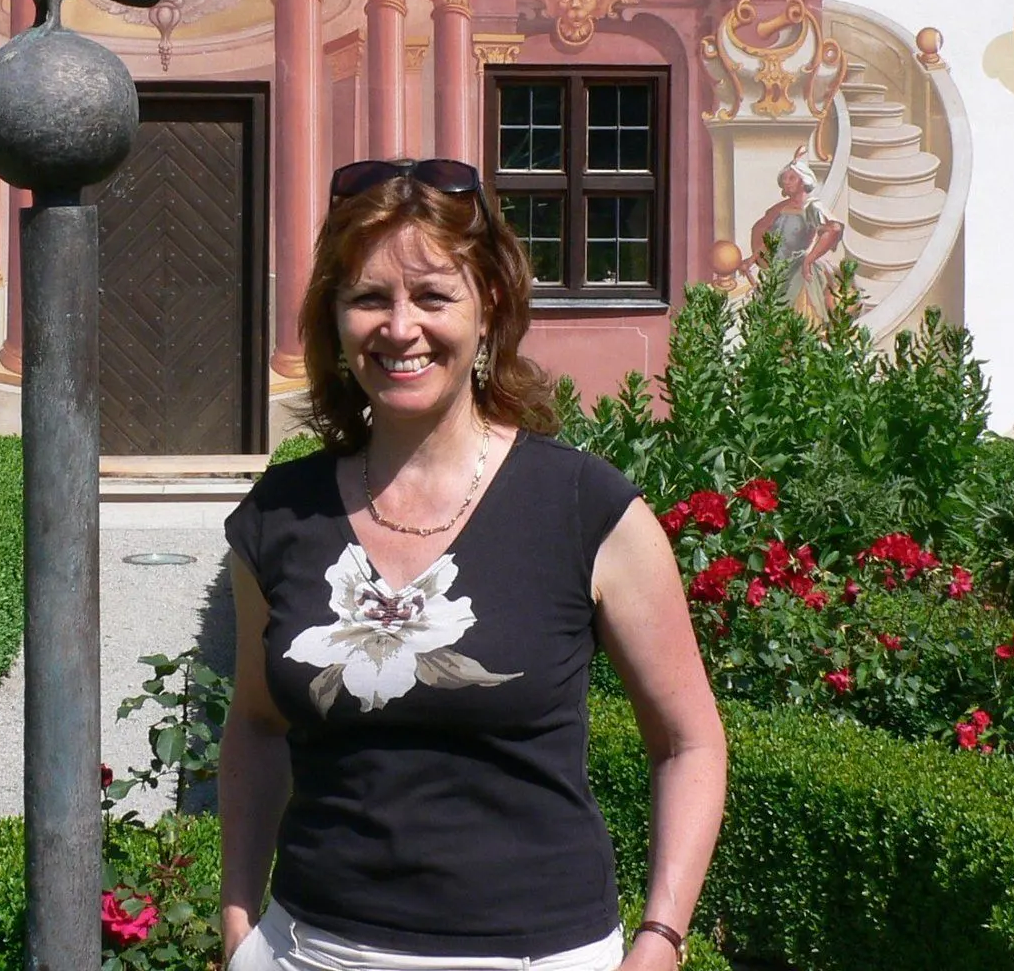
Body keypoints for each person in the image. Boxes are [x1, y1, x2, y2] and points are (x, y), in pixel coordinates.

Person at [220, 158, 726, 971]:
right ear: (335, 318)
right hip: (309, 948)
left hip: (534, 955)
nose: (399, 327)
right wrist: (240, 917)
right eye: (368, 298)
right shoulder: (280, 515)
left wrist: (661, 939)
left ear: (489, 306)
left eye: (432, 296)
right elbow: (255, 723)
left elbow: (687, 743)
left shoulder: (584, 510)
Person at [744, 152, 846, 324]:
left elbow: (834, 229)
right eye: (785, 179)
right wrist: (752, 259)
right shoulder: (780, 209)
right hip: (776, 273)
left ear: (803, 181)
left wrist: (809, 260)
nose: (786, 182)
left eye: (792, 178)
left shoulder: (812, 207)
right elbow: (771, 239)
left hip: (798, 273)